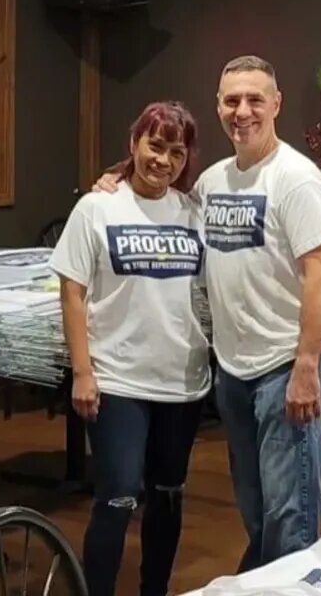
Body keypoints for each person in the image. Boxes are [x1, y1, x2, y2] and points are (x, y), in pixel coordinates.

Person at [95, 55, 321, 572]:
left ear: (276, 105)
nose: (242, 111)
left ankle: (290, 582)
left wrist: (307, 365)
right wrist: (115, 178)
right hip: (233, 371)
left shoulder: (297, 180)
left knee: (290, 511)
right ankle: (267, 580)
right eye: (232, 100)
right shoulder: (211, 183)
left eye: (255, 99)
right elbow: (159, 197)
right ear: (219, 107)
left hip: (283, 365)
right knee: (254, 508)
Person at [49, 100, 212, 596]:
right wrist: (82, 371)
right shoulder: (97, 207)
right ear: (134, 143)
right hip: (117, 378)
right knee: (117, 494)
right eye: (155, 145)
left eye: (176, 152)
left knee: (166, 497)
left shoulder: (193, 213)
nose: (163, 160)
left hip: (182, 382)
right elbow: (72, 292)